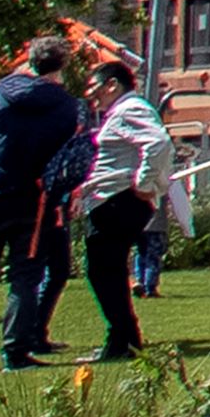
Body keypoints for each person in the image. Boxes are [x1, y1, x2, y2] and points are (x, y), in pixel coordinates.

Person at [0, 32, 84, 373]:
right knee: (25, 278)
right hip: (32, 200)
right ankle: (15, 353)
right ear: (61, 66)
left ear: (29, 59)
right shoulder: (67, 107)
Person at [65, 52, 162, 367]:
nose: (89, 94)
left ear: (112, 84)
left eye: (93, 87)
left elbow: (158, 143)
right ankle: (122, 340)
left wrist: (145, 183)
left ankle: (123, 340)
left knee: (102, 269)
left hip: (120, 201)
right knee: (107, 270)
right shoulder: (122, 112)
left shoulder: (130, 110)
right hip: (114, 200)